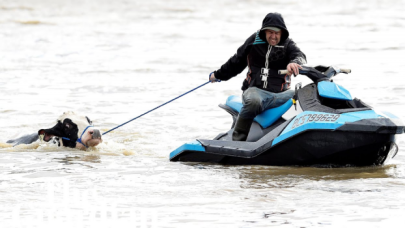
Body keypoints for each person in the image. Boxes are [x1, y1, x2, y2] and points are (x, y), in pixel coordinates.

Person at [209, 12, 307, 141]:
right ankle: (237, 140)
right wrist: (217, 75)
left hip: (281, 95)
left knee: (305, 95)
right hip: (255, 92)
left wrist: (295, 62)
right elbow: (236, 61)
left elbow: (300, 56)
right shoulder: (254, 40)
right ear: (264, 31)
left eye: (277, 33)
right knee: (254, 101)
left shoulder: (288, 44)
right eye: (270, 32)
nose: (273, 36)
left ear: (282, 33)